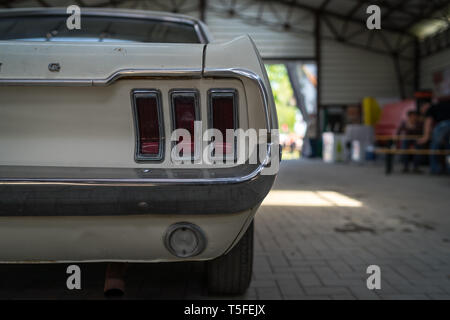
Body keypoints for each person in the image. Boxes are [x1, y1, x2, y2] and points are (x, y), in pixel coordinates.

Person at [417, 100, 450, 174]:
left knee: (434, 147)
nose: (423, 112)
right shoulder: (442, 105)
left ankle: (435, 169)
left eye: (422, 110)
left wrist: (426, 137)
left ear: (425, 106)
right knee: (448, 149)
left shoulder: (431, 108)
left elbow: (428, 122)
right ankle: (449, 168)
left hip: (443, 125)